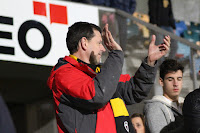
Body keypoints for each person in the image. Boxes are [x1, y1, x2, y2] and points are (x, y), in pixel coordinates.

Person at [47, 21, 170, 133]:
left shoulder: (101, 74)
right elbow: (97, 94)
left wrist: (149, 63)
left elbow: (135, 90)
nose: (103, 49)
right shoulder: (63, 74)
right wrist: (116, 55)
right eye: (99, 43)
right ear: (84, 43)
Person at [144, 59, 184, 133]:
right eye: (170, 79)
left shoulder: (186, 104)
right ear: (161, 82)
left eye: (179, 79)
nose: (175, 84)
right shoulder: (155, 107)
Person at [148, 0, 177, 64]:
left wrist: (173, 26)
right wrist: (154, 23)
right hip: (158, 25)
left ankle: (169, 63)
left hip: (168, 26)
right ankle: (162, 64)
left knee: (175, 44)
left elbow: (170, 13)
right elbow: (152, 10)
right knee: (160, 46)